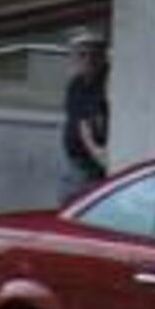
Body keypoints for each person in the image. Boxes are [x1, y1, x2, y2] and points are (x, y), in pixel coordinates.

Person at [60, 27, 110, 201]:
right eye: (82, 55)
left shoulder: (109, 82)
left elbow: (87, 126)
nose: (88, 60)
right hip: (77, 162)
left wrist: (99, 155)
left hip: (96, 165)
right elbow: (80, 121)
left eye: (94, 54)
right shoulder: (76, 84)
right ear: (74, 57)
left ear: (103, 56)